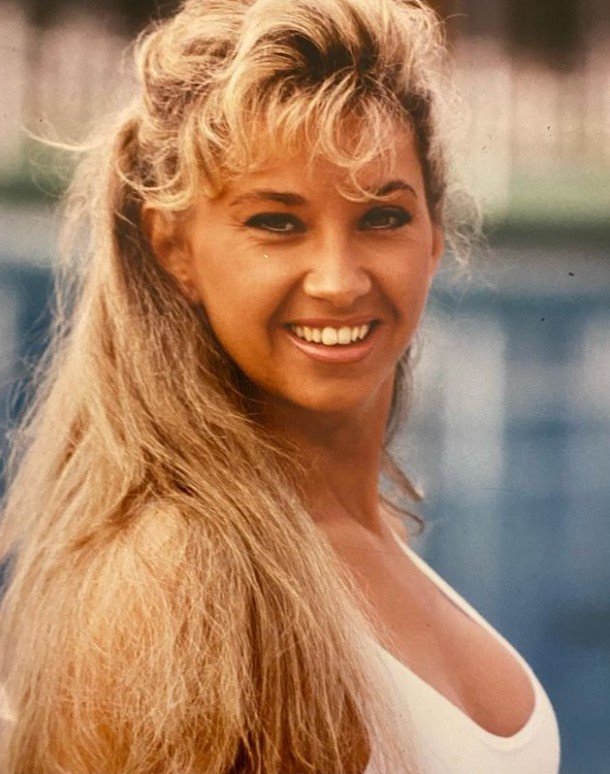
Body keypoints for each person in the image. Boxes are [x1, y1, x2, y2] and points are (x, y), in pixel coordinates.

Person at [0, 0, 560, 772]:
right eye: (276, 223)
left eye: (382, 217)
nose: (337, 281)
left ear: (434, 236)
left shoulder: (358, 538)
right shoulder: (178, 581)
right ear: (175, 249)